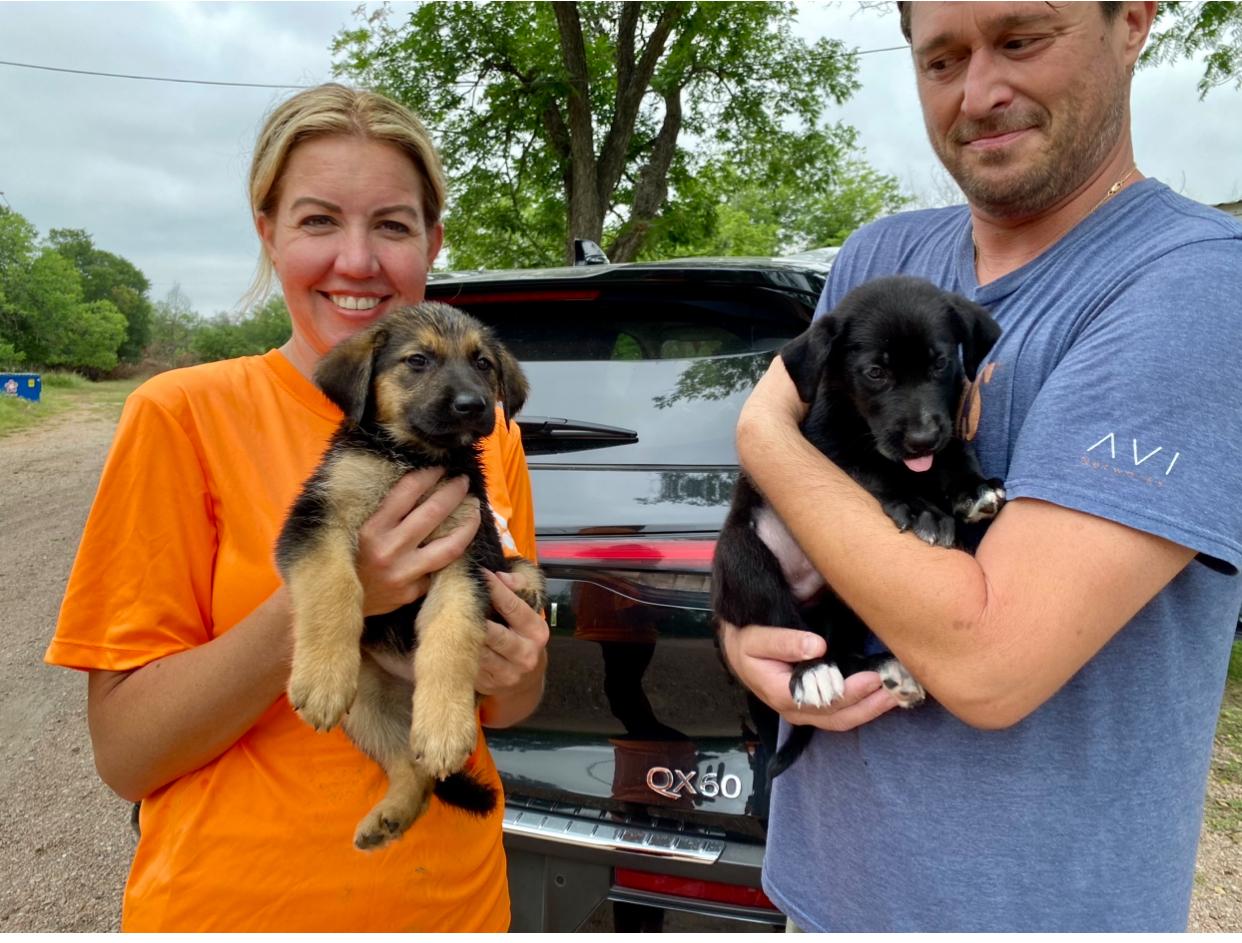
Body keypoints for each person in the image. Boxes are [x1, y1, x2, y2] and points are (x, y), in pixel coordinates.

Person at [719, 2, 1242, 932]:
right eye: (942, 59)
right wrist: (748, 631)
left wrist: (763, 437)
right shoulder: (882, 256)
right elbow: (796, 506)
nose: (981, 92)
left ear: (1133, 21)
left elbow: (989, 662)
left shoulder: (1192, 289)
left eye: (1022, 38)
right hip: (820, 891)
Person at [44, 83, 549, 932]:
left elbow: (512, 701)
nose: (357, 260)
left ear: (432, 240)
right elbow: (127, 756)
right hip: (232, 908)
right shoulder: (181, 413)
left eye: (391, 224)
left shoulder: (478, 432)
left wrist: (519, 663)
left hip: (453, 904)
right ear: (267, 231)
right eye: (318, 221)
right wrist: (350, 594)